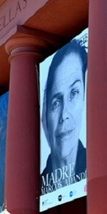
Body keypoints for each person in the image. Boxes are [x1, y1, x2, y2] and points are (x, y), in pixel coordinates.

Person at [41, 38, 87, 193]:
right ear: (44, 115)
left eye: (74, 93)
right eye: (55, 102)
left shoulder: (101, 164)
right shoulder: (36, 186)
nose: (64, 115)